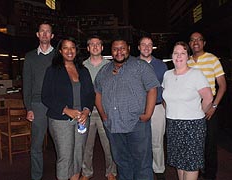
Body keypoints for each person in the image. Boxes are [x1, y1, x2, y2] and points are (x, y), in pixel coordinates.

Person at [94, 37, 160, 180]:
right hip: (114, 125)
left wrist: (148, 114)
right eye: (115, 49)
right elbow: (97, 93)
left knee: (142, 163)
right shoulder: (104, 71)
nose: (119, 52)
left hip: (137, 124)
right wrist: (103, 116)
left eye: (122, 48)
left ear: (128, 49)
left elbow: (152, 89)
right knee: (122, 163)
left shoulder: (140, 66)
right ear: (111, 51)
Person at [41, 37, 95, 180]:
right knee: (65, 157)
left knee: (78, 155)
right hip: (60, 119)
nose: (69, 51)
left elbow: (90, 94)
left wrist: (87, 110)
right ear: (60, 51)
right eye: (65, 47)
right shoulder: (52, 71)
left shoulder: (83, 71)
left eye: (72, 47)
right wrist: (66, 110)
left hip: (82, 119)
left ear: (76, 50)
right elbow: (45, 96)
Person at [162, 41, 213, 180]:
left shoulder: (196, 74)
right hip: (173, 124)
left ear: (188, 56)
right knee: (179, 162)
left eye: (182, 53)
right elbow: (166, 99)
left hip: (193, 125)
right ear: (172, 56)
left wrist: (196, 114)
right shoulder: (167, 75)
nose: (179, 56)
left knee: (191, 164)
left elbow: (208, 99)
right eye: (175, 53)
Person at [188, 32, 227, 180]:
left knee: (209, 145)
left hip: (210, 108)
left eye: (198, 40)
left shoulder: (212, 59)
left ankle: (210, 175)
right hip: (191, 110)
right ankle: (195, 173)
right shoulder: (187, 61)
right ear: (190, 44)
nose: (195, 42)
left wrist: (214, 106)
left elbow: (222, 86)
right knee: (194, 144)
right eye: (192, 40)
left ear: (204, 43)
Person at [80, 35, 117, 180]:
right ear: (88, 48)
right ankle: (86, 172)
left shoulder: (110, 65)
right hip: (86, 112)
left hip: (105, 112)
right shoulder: (82, 66)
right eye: (92, 44)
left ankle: (111, 172)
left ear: (102, 47)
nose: (95, 46)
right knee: (86, 145)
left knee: (109, 144)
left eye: (98, 44)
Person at [23, 22, 54, 180]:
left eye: (47, 32)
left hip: (56, 105)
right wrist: (28, 107)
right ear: (37, 34)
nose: (44, 34)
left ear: (52, 36)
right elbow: (26, 84)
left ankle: (66, 174)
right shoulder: (29, 57)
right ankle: (36, 176)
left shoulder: (59, 56)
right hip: (37, 105)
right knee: (36, 145)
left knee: (63, 144)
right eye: (42, 31)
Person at [138, 36, 167, 180]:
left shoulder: (161, 65)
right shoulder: (131, 64)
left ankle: (159, 170)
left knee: (157, 141)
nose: (146, 47)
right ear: (138, 47)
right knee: (139, 142)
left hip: (157, 108)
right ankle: (142, 169)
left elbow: (167, 87)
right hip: (138, 110)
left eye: (149, 44)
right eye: (143, 44)